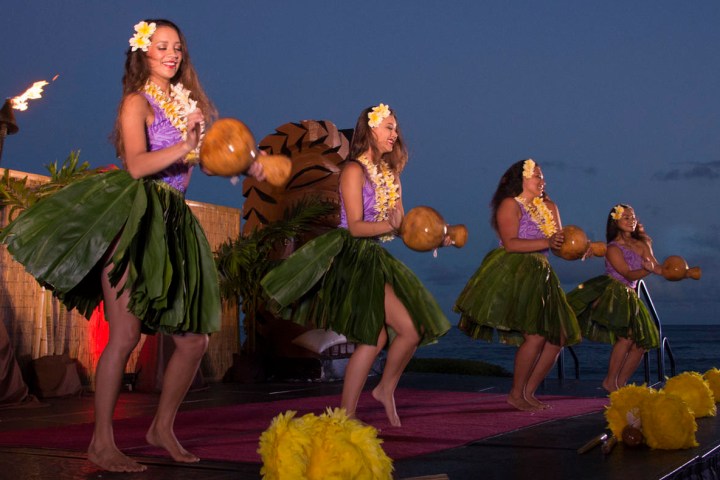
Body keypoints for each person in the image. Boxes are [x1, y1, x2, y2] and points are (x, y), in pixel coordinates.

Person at [0, 19, 264, 472]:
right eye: (161, 46)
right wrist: (186, 143)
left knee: (195, 340)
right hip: (136, 218)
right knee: (123, 335)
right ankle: (101, 443)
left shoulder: (186, 107)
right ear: (143, 53)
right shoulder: (136, 103)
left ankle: (161, 427)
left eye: (177, 46)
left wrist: (247, 164)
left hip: (175, 221)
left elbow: (199, 160)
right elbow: (139, 165)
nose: (171, 53)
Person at [261, 103, 451, 427]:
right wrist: (389, 227)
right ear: (371, 130)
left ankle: (365, 402)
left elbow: (402, 226)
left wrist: (433, 238)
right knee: (402, 331)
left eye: (396, 128)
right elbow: (356, 226)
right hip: (352, 255)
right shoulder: (353, 171)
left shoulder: (392, 175)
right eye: (389, 127)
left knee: (378, 338)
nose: (395, 134)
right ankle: (363, 403)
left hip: (375, 255)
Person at [454, 158, 581, 412]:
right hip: (516, 271)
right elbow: (511, 243)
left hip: (542, 273)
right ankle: (515, 393)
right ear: (520, 179)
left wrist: (577, 250)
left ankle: (528, 392)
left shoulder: (550, 206)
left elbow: (557, 246)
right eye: (536, 175)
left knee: (558, 338)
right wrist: (548, 241)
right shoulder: (509, 205)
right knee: (534, 337)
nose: (542, 180)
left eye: (543, 175)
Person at [566, 204, 660, 392]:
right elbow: (627, 274)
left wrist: (683, 272)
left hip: (631, 296)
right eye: (626, 217)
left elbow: (656, 267)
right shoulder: (612, 248)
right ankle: (610, 381)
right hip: (613, 293)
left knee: (640, 345)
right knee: (625, 339)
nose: (631, 219)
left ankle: (620, 383)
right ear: (615, 222)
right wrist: (646, 270)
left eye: (633, 216)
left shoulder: (643, 244)